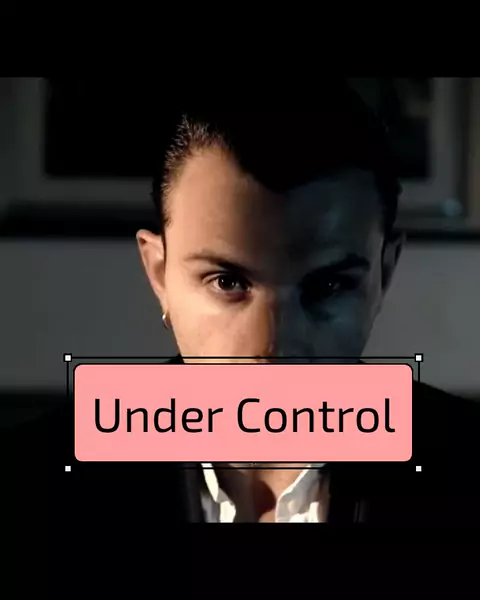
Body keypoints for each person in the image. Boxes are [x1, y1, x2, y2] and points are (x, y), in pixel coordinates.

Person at [5, 82, 480, 527]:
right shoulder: (30, 484)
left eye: (329, 285)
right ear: (159, 275)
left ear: (384, 275)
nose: (274, 344)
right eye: (228, 281)